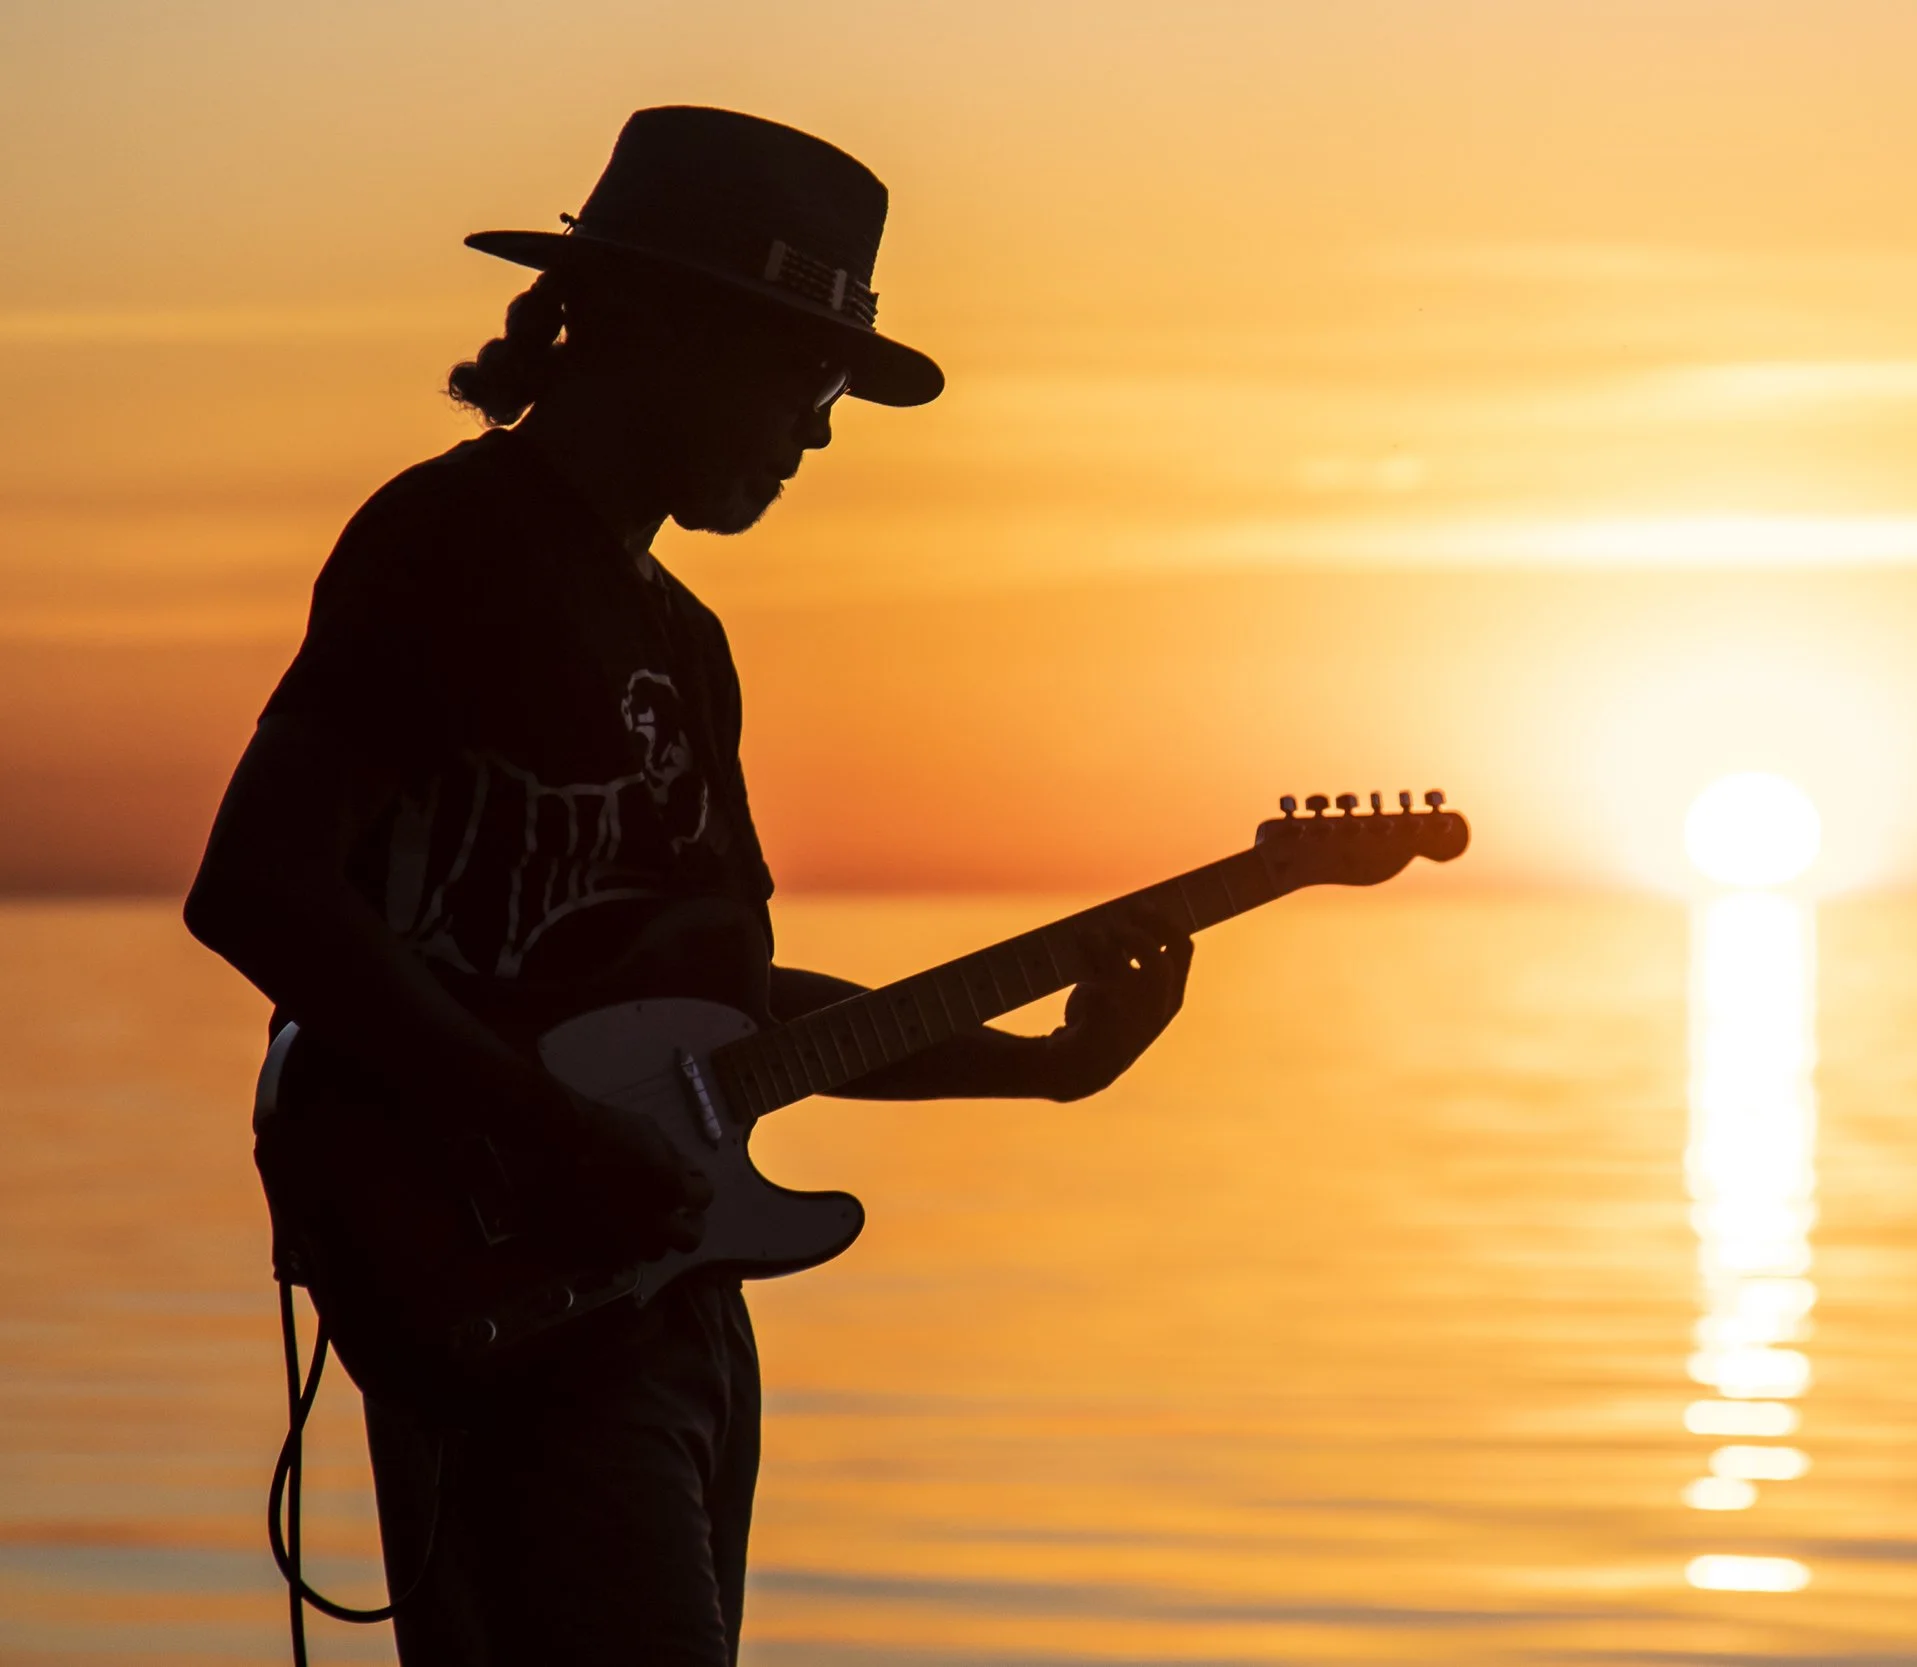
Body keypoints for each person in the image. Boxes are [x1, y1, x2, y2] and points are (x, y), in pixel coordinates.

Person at [183, 106, 1192, 1665]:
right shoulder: (449, 544)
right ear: (659, 329)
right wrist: (548, 1129)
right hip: (505, 1294)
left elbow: (725, 1021)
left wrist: (1042, 1066)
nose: (822, 427)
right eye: (808, 372)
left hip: (666, 1303)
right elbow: (256, 890)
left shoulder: (686, 643)